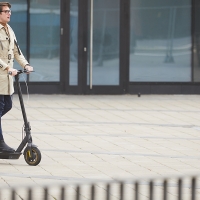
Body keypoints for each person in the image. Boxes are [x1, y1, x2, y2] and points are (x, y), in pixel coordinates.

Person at [0, 2, 33, 152]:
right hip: (2, 76)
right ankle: (0, 144)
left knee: (8, 106)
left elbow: (16, 52)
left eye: (9, 11)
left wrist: (25, 65)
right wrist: (7, 67)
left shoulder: (9, 30)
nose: (9, 13)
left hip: (7, 79)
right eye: (6, 11)